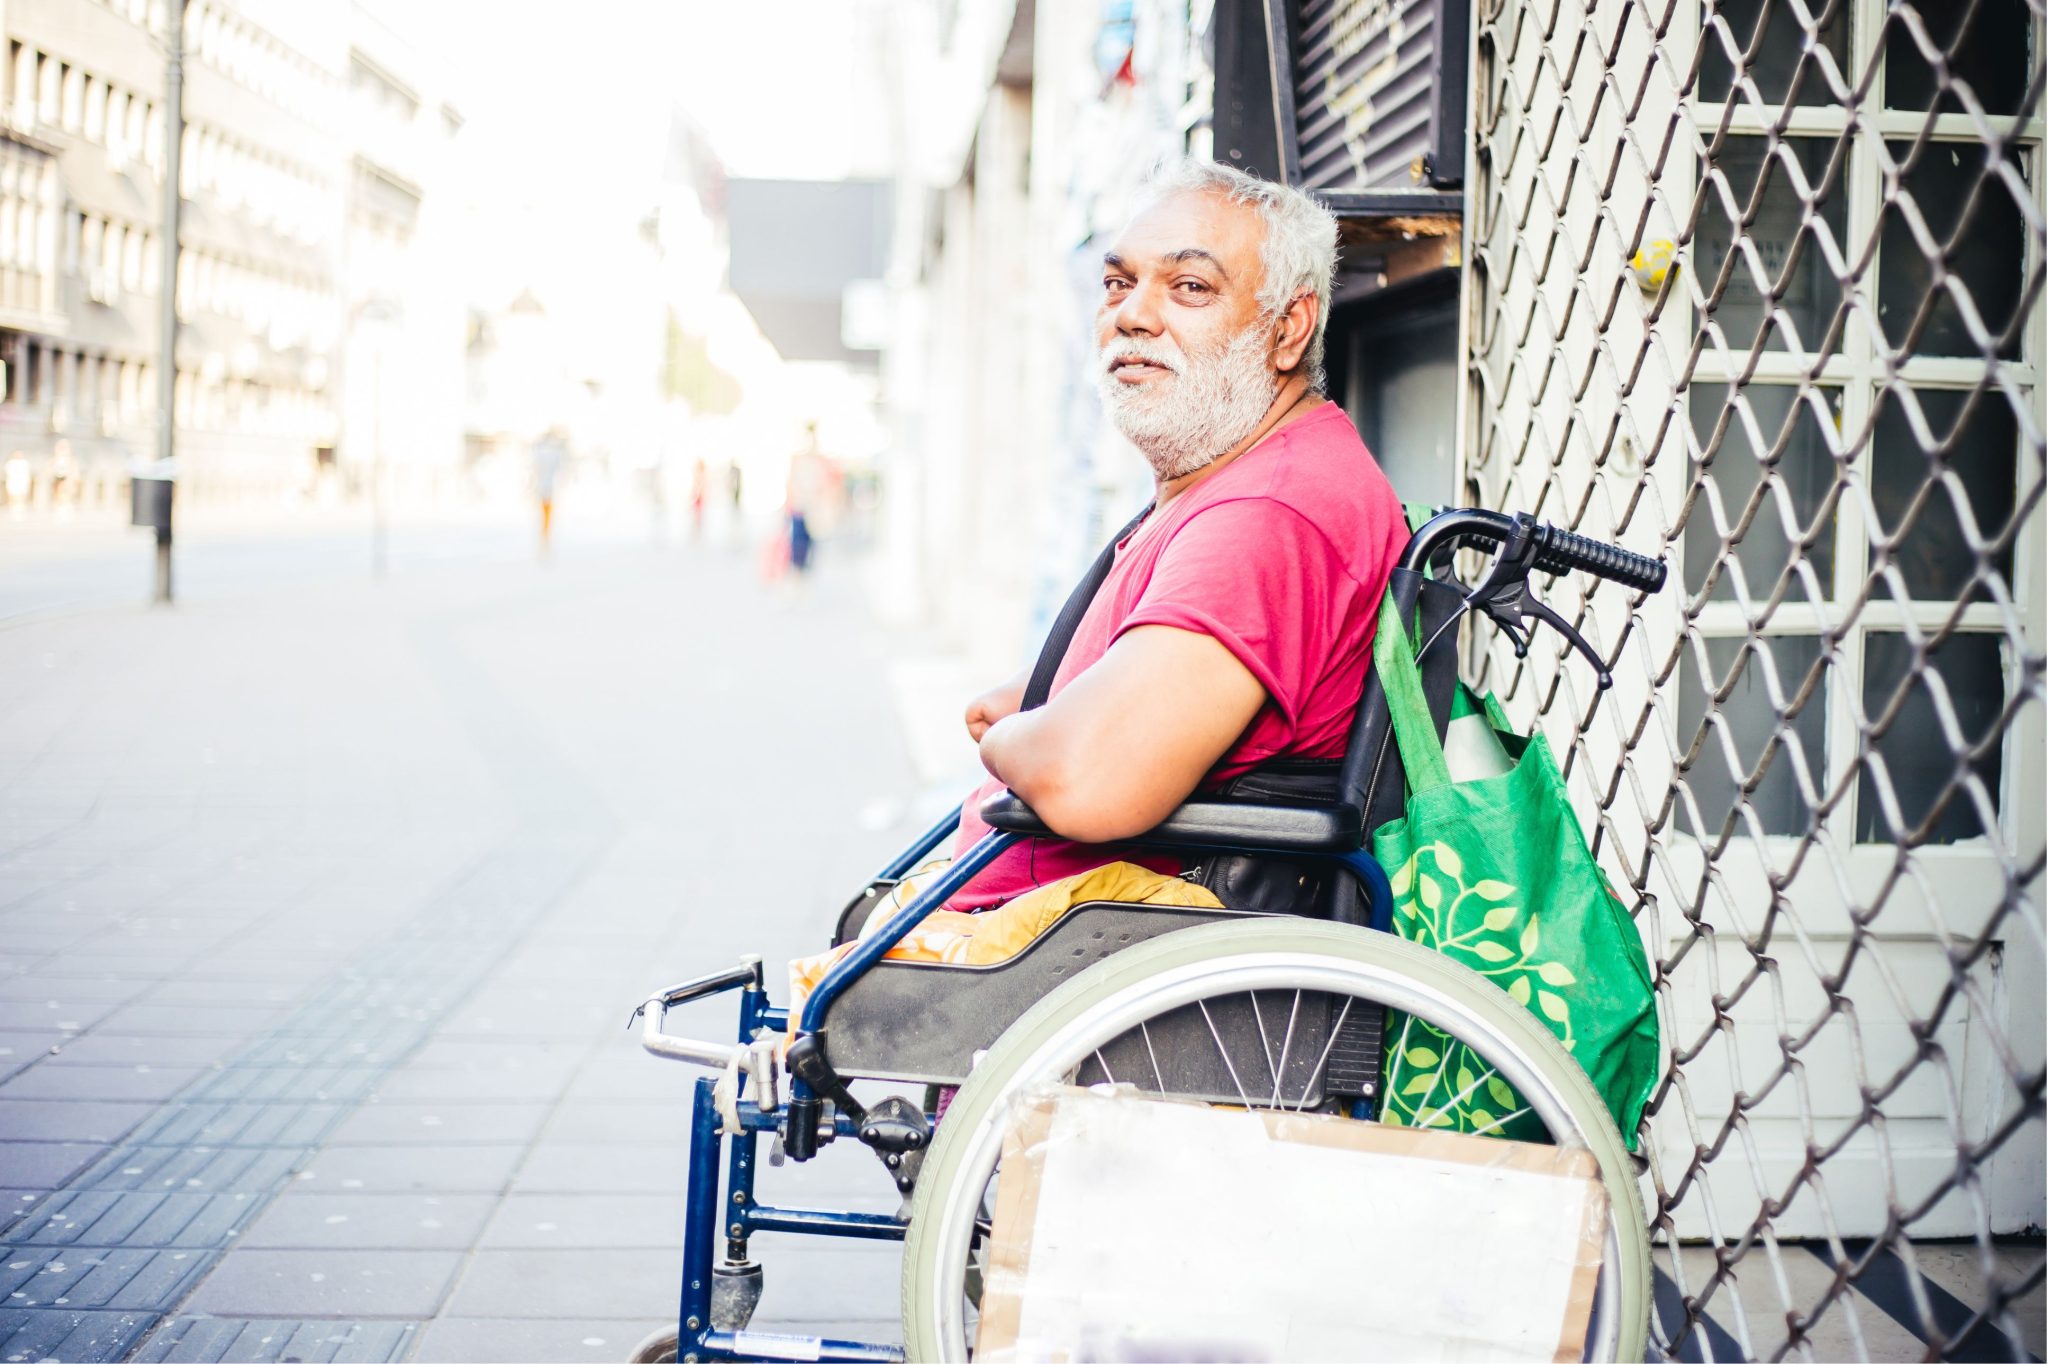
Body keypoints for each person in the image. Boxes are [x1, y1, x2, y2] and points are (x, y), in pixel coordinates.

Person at [945, 159, 1410, 911]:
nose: (1132, 314)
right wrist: (1053, 700)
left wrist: (1015, 738)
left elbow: (1084, 776)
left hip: (1069, 974)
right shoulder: (1234, 478)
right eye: (1118, 283)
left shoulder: (1270, 511)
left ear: (1288, 329)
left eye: (1190, 287)